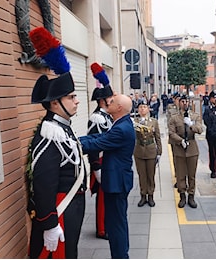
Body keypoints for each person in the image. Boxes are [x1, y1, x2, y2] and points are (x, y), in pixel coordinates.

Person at [27, 27, 85, 259]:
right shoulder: (50, 133)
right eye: (71, 97)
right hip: (60, 210)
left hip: (71, 208)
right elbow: (43, 184)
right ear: (54, 103)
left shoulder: (62, 129)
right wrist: (49, 224)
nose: (77, 101)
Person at [79, 94, 135, 259]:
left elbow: (98, 143)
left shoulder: (122, 129)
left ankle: (120, 256)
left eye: (112, 101)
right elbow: (100, 137)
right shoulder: (121, 124)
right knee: (117, 223)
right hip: (118, 181)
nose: (108, 102)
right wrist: (76, 139)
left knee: (116, 225)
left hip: (117, 183)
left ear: (119, 108)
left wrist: (72, 144)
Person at [87, 62, 115, 240]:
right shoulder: (97, 117)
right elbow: (93, 143)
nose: (112, 100)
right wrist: (96, 167)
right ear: (102, 101)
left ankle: (107, 225)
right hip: (101, 161)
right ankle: (102, 228)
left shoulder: (106, 116)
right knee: (103, 197)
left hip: (109, 160)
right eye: (109, 98)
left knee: (109, 196)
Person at [169, 94, 203, 208]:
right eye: (183, 101)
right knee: (180, 174)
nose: (185, 103)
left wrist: (191, 124)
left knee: (191, 175)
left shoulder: (195, 116)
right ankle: (182, 195)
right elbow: (171, 132)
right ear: (179, 103)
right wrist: (180, 141)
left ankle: (191, 196)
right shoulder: (174, 117)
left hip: (192, 148)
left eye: (187, 101)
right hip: (180, 149)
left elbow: (200, 130)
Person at [133, 99, 162, 207]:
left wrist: (159, 152)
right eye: (140, 107)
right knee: (142, 175)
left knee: (151, 174)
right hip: (139, 151)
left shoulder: (153, 121)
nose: (142, 109)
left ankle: (150, 195)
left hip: (150, 150)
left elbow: (157, 137)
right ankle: (143, 195)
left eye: (144, 107)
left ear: (148, 109)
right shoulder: (135, 121)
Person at [203, 90, 216, 178]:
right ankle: (213, 169)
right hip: (211, 135)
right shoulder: (207, 109)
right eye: (214, 98)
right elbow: (207, 121)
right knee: (212, 152)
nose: (215, 99)